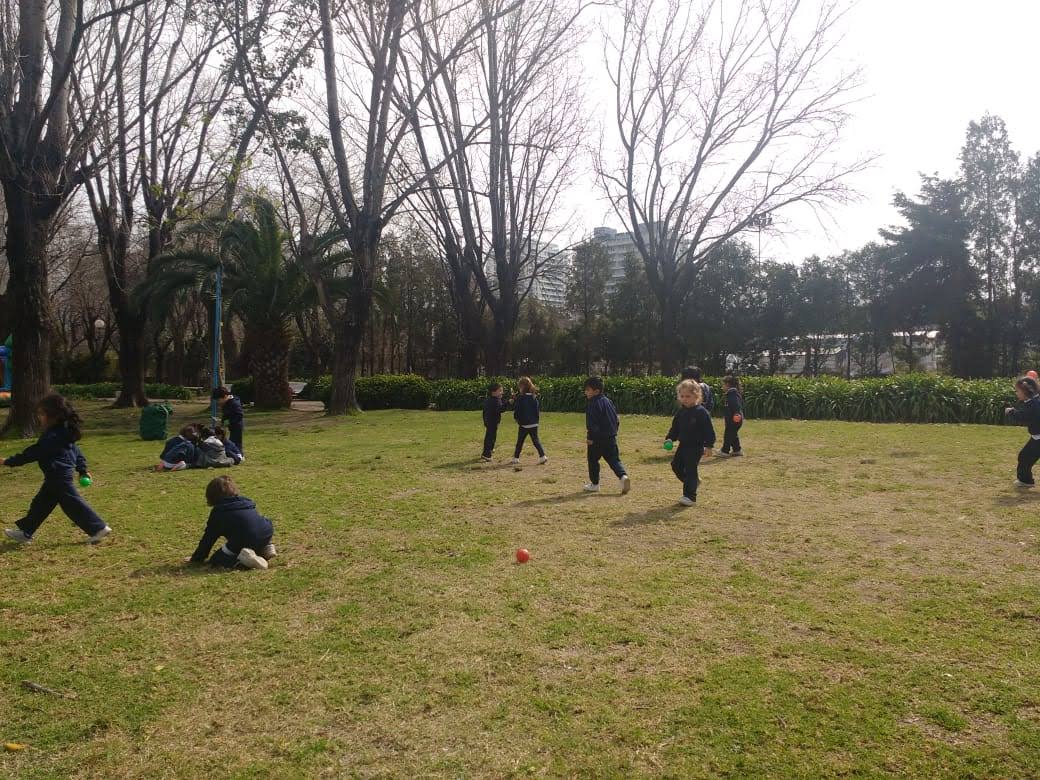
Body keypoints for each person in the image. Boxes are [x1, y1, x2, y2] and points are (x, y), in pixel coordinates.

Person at [2, 394, 112, 544]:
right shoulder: (64, 432)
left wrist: (9, 461)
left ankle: (98, 528)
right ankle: (26, 532)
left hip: (58, 475)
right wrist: (82, 470)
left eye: (41, 414)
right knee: (41, 504)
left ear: (53, 416)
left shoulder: (52, 436)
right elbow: (76, 452)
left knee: (72, 504)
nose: (39, 418)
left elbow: (34, 452)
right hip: (56, 476)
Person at [186, 475, 275, 569]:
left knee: (217, 559)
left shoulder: (219, 513)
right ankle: (265, 547)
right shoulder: (245, 502)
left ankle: (242, 562)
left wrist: (197, 558)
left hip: (245, 538)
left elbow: (208, 539)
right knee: (254, 529)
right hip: (266, 532)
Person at [665, 380, 715, 506]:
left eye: (688, 396)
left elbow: (709, 430)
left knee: (690, 470)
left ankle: (690, 496)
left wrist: (709, 446)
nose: (684, 399)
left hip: (696, 447)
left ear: (696, 396)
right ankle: (693, 482)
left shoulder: (701, 412)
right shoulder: (681, 412)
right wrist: (670, 438)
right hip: (683, 445)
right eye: (682, 396)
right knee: (676, 466)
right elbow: (675, 428)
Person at [583, 377, 631, 494]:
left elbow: (591, 424)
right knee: (614, 460)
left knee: (593, 460)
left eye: (588, 390)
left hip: (597, 439)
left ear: (596, 391)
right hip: (611, 438)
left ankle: (595, 484)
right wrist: (614, 431)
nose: (585, 392)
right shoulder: (608, 401)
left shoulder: (592, 404)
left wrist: (590, 438)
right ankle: (623, 477)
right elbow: (616, 419)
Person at [1005, 376, 1040, 488]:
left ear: (1025, 390)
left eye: (1018, 391)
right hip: (1036, 437)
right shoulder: (1033, 401)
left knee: (1024, 457)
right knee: (1024, 457)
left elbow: (1024, 417)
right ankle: (1026, 480)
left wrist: (1011, 412)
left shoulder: (1034, 404)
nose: (1016, 393)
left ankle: (1026, 481)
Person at [512, 376, 547, 465]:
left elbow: (517, 410)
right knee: (536, 441)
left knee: (520, 442)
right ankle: (542, 456)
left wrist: (516, 418)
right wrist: (536, 421)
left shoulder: (520, 398)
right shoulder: (534, 397)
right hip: (534, 423)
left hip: (524, 424)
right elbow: (537, 411)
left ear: (522, 387)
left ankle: (516, 458)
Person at [481, 382, 512, 462]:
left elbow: (485, 411)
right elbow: (500, 409)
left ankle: (490, 449)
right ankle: (486, 454)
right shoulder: (495, 401)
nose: (502, 392)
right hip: (492, 422)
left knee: (491, 436)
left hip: (489, 421)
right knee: (490, 437)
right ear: (493, 392)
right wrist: (508, 403)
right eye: (500, 391)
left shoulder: (491, 399)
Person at [717, 375, 744, 457]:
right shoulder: (731, 394)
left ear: (728, 384)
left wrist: (736, 414)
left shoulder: (732, 394)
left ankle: (725, 451)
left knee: (728, 435)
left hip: (734, 419)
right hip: (732, 419)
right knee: (733, 434)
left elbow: (736, 405)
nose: (722, 387)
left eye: (723, 385)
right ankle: (737, 450)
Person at [213, 386, 245, 453]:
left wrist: (228, 422)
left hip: (237, 425)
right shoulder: (225, 403)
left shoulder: (234, 403)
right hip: (231, 425)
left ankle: (239, 455)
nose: (218, 402)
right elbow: (226, 415)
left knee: (235, 442)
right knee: (232, 442)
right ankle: (236, 453)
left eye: (219, 400)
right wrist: (222, 421)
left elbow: (239, 415)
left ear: (225, 396)